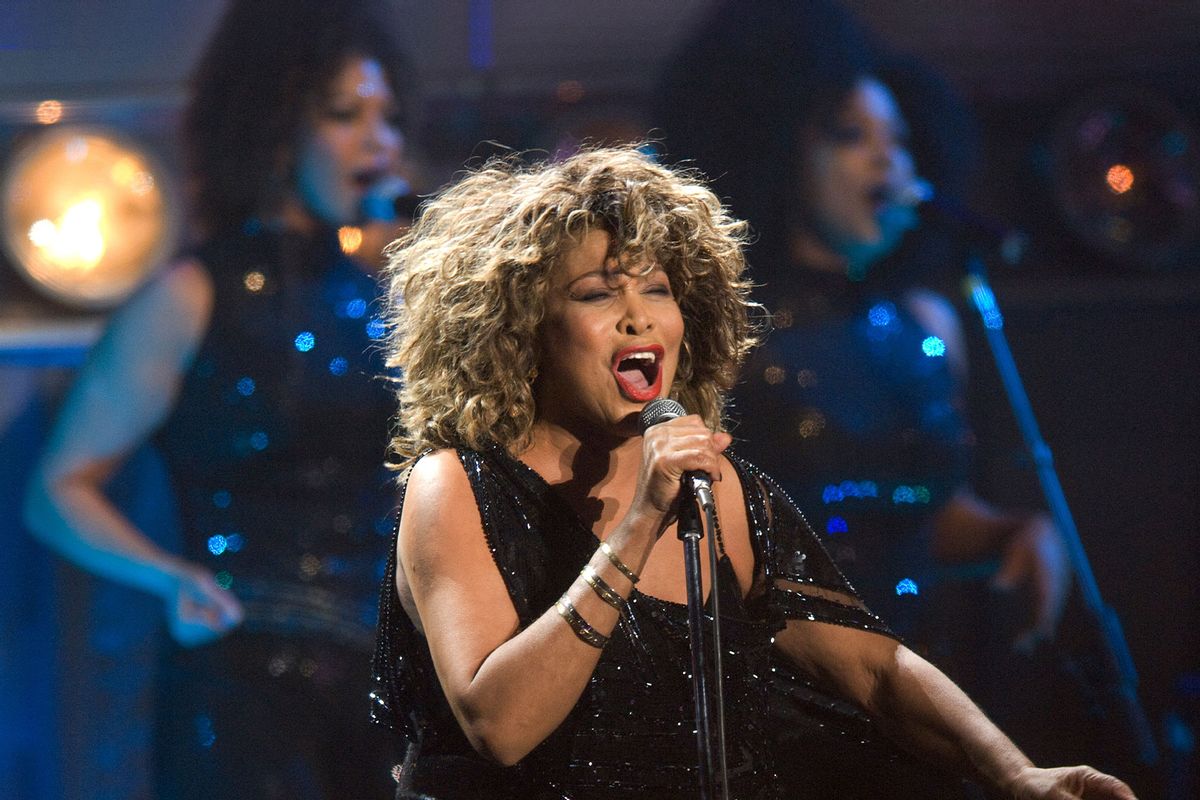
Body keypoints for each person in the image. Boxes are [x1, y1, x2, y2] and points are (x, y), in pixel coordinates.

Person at [369, 145, 1135, 800]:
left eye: (658, 289)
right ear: (521, 330)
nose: (639, 317)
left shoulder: (720, 488)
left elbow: (875, 670)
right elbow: (498, 725)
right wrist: (639, 523)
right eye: (598, 293)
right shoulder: (457, 486)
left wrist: (1016, 775)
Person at [654, 1, 1096, 780]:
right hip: (776, 696)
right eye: (851, 137)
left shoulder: (926, 324)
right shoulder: (718, 334)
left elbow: (922, 511)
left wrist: (1015, 533)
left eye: (898, 140)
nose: (885, 164)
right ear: (777, 146)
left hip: (922, 677)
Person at [24, 1, 413, 796]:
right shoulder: (193, 294)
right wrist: (170, 578)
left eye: (388, 117)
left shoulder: (381, 296)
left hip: (382, 681)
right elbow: (55, 492)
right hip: (243, 685)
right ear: (276, 125)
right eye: (346, 115)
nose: (382, 140)